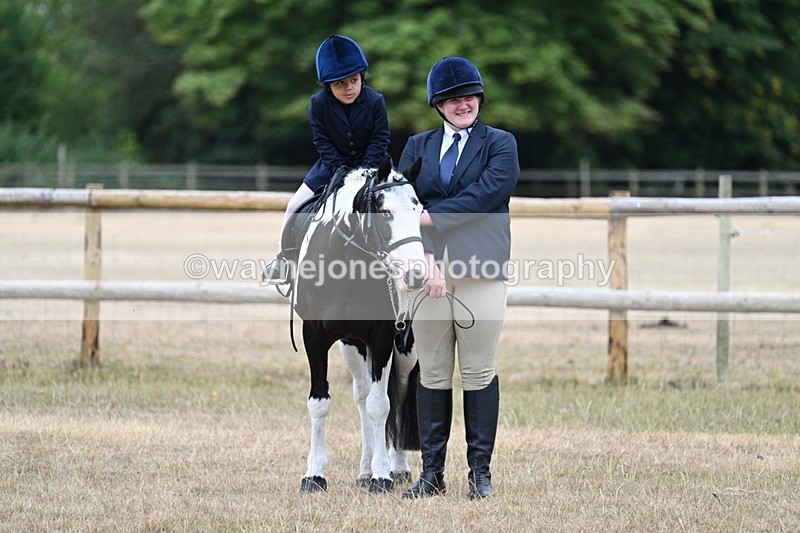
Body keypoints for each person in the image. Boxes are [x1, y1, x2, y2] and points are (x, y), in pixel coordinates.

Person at [398, 57, 519, 499]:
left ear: (479, 98)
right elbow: (402, 210)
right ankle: (431, 474)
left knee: (478, 371)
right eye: (451, 98)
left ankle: (479, 474)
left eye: (468, 96)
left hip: (481, 272)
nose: (462, 103)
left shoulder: (500, 144)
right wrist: (428, 261)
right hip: (426, 277)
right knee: (431, 372)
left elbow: (488, 195)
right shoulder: (416, 147)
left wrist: (432, 217)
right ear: (438, 105)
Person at [263, 35, 390, 284]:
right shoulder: (318, 104)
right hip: (331, 167)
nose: (349, 88)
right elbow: (322, 142)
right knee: (293, 206)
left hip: (374, 167)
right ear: (328, 85)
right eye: (340, 84)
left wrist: (364, 172)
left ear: (362, 77)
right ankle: (283, 261)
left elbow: (380, 140)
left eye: (354, 81)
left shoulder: (376, 101)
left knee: (402, 204)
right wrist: (340, 171)